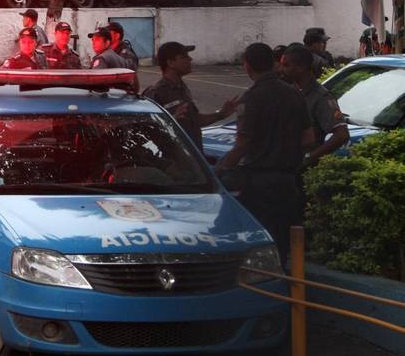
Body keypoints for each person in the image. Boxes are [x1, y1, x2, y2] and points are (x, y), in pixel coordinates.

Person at [215, 43, 314, 263]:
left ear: (247, 66)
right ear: (273, 63)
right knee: (284, 244)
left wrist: (219, 171)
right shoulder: (295, 94)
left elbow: (242, 144)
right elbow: (309, 139)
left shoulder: (251, 98)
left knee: (259, 245)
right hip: (289, 181)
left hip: (259, 183)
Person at [143, 42, 238, 153]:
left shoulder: (181, 87)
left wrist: (220, 115)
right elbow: (147, 132)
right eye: (184, 57)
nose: (190, 59)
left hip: (192, 159)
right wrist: (170, 122)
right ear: (170, 62)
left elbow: (194, 120)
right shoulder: (156, 92)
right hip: (174, 162)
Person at [280, 45, 349, 167]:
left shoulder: (320, 97)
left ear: (301, 67)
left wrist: (310, 158)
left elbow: (342, 134)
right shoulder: (288, 90)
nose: (281, 69)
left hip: (300, 171)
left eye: (286, 65)